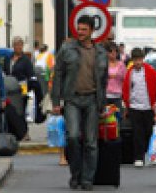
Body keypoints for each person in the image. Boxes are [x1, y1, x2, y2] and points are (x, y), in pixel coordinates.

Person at [52, 15, 108, 191]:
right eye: (79, 28)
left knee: (91, 142)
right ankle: (75, 174)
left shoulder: (100, 52)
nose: (80, 32)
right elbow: (58, 74)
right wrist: (56, 101)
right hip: (72, 99)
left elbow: (104, 80)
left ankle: (87, 179)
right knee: (73, 137)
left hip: (92, 100)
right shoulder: (67, 48)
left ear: (92, 31)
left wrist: (102, 103)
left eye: (84, 29)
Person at [122, 47, 156, 167]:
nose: (138, 62)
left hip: (148, 106)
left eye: (140, 59)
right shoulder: (129, 73)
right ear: (132, 60)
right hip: (134, 106)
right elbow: (126, 89)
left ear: (143, 59)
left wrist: (155, 104)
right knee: (138, 133)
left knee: (148, 131)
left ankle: (145, 152)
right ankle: (138, 157)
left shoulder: (150, 70)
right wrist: (127, 105)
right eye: (136, 60)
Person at [4, 36, 34, 131]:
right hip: (9, 87)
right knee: (12, 109)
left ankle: (24, 131)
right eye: (16, 45)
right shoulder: (9, 58)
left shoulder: (25, 60)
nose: (19, 47)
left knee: (21, 109)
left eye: (20, 45)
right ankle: (13, 129)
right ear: (13, 46)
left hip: (22, 87)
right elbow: (5, 71)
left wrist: (29, 88)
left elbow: (30, 74)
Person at [105, 42, 126, 110]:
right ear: (106, 52)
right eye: (110, 51)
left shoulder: (121, 64)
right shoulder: (103, 64)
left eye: (115, 51)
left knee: (118, 118)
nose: (113, 53)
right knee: (106, 119)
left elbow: (125, 79)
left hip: (117, 97)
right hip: (105, 96)